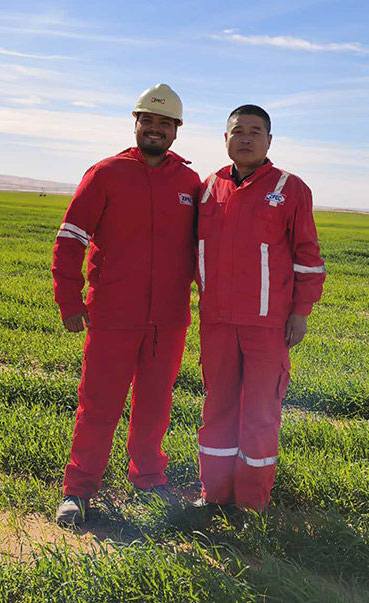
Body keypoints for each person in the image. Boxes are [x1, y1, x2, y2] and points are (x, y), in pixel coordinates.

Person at [51, 84, 201, 525]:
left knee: (155, 406)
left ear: (176, 130)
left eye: (164, 123)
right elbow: (70, 240)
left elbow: (203, 252)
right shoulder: (106, 174)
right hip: (114, 313)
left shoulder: (190, 183)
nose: (155, 129)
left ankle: (150, 480)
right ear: (136, 123)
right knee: (99, 404)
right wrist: (68, 299)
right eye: (148, 120)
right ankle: (78, 491)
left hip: (168, 319)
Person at [195, 104, 325, 512]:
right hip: (216, 321)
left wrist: (301, 311)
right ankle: (214, 496)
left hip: (267, 325)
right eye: (238, 131)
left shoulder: (290, 189)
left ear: (270, 141)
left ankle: (251, 505)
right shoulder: (208, 187)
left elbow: (308, 256)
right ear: (225, 138)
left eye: (255, 131)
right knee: (217, 408)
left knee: (259, 414)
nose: (246, 138)